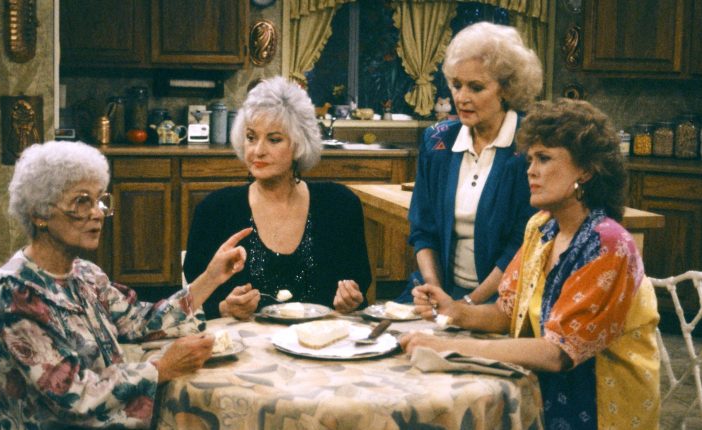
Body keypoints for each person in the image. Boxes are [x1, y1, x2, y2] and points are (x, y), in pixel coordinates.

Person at [403, 99, 660, 429]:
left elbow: (558, 353)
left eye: (544, 158)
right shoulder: (542, 227)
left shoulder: (608, 243)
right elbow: (507, 311)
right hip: (547, 401)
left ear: (586, 170)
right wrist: (455, 310)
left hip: (602, 411)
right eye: (530, 159)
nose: (531, 170)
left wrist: (448, 348)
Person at [0, 140, 252, 429]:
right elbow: (72, 395)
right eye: (81, 202)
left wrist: (211, 277)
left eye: (99, 201)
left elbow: (141, 322)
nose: (97, 213)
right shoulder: (9, 296)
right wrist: (162, 368)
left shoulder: (86, 275)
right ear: (39, 214)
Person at [183, 76, 371, 320]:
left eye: (273, 139)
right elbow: (194, 303)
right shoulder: (215, 211)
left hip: (322, 339)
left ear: (299, 144)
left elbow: (359, 286)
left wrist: (350, 301)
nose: (258, 150)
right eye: (251, 137)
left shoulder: (339, 205)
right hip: (242, 342)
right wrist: (224, 308)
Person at [400, 22, 542, 305]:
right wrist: (436, 292)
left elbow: (521, 245)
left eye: (476, 87)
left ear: (507, 89)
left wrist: (467, 306)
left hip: (502, 298)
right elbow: (423, 230)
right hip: (442, 291)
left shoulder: (531, 147)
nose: (461, 97)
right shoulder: (437, 140)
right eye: (456, 85)